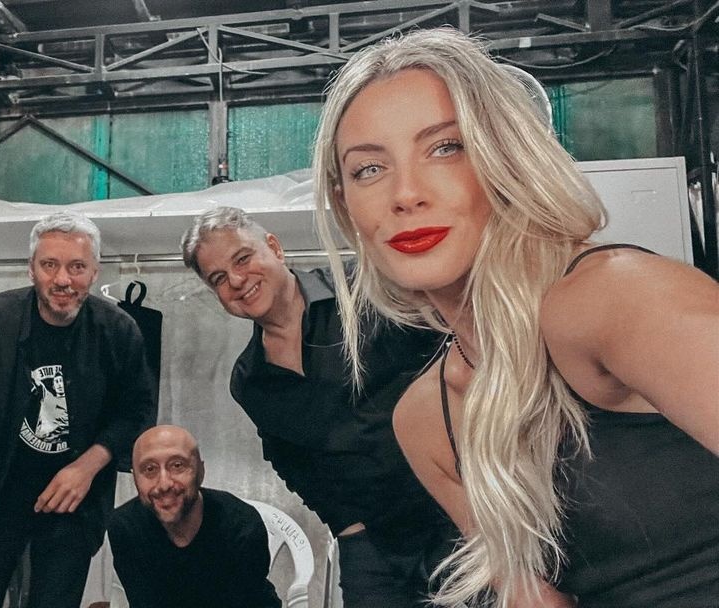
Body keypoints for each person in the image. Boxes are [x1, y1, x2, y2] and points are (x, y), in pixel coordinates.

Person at [311, 27, 719, 607]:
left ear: (507, 156)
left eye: (446, 147)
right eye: (368, 169)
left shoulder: (613, 297)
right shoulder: (426, 419)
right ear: (345, 203)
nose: (405, 194)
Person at [181, 206, 452, 607]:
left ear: (275, 248)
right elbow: (289, 460)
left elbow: (457, 353)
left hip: (457, 514)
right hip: (374, 548)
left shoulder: (365, 286)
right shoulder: (250, 380)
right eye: (218, 278)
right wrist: (346, 526)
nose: (237, 280)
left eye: (243, 258)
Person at [0, 211, 156, 608]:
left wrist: (87, 466)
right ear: (31, 268)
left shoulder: (119, 331)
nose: (62, 279)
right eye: (49, 265)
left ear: (95, 272)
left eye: (77, 267)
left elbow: (136, 410)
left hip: (74, 506)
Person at [108, 425, 281, 608]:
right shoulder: (126, 528)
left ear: (201, 471)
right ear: (135, 478)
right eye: (150, 469)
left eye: (177, 465)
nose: (164, 484)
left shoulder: (241, 526)